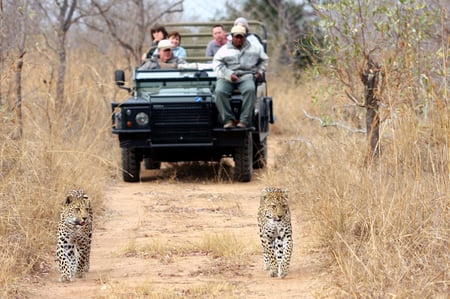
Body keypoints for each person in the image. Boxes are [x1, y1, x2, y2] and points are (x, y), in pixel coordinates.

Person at [213, 25, 269, 128]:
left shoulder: (255, 48)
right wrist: (229, 74)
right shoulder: (224, 50)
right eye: (236, 37)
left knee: (250, 90)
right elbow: (217, 64)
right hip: (227, 77)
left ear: (245, 37)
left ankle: (244, 120)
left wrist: (259, 71)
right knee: (219, 92)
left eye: (241, 37)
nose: (239, 39)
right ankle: (228, 120)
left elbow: (265, 60)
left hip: (246, 76)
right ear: (232, 37)